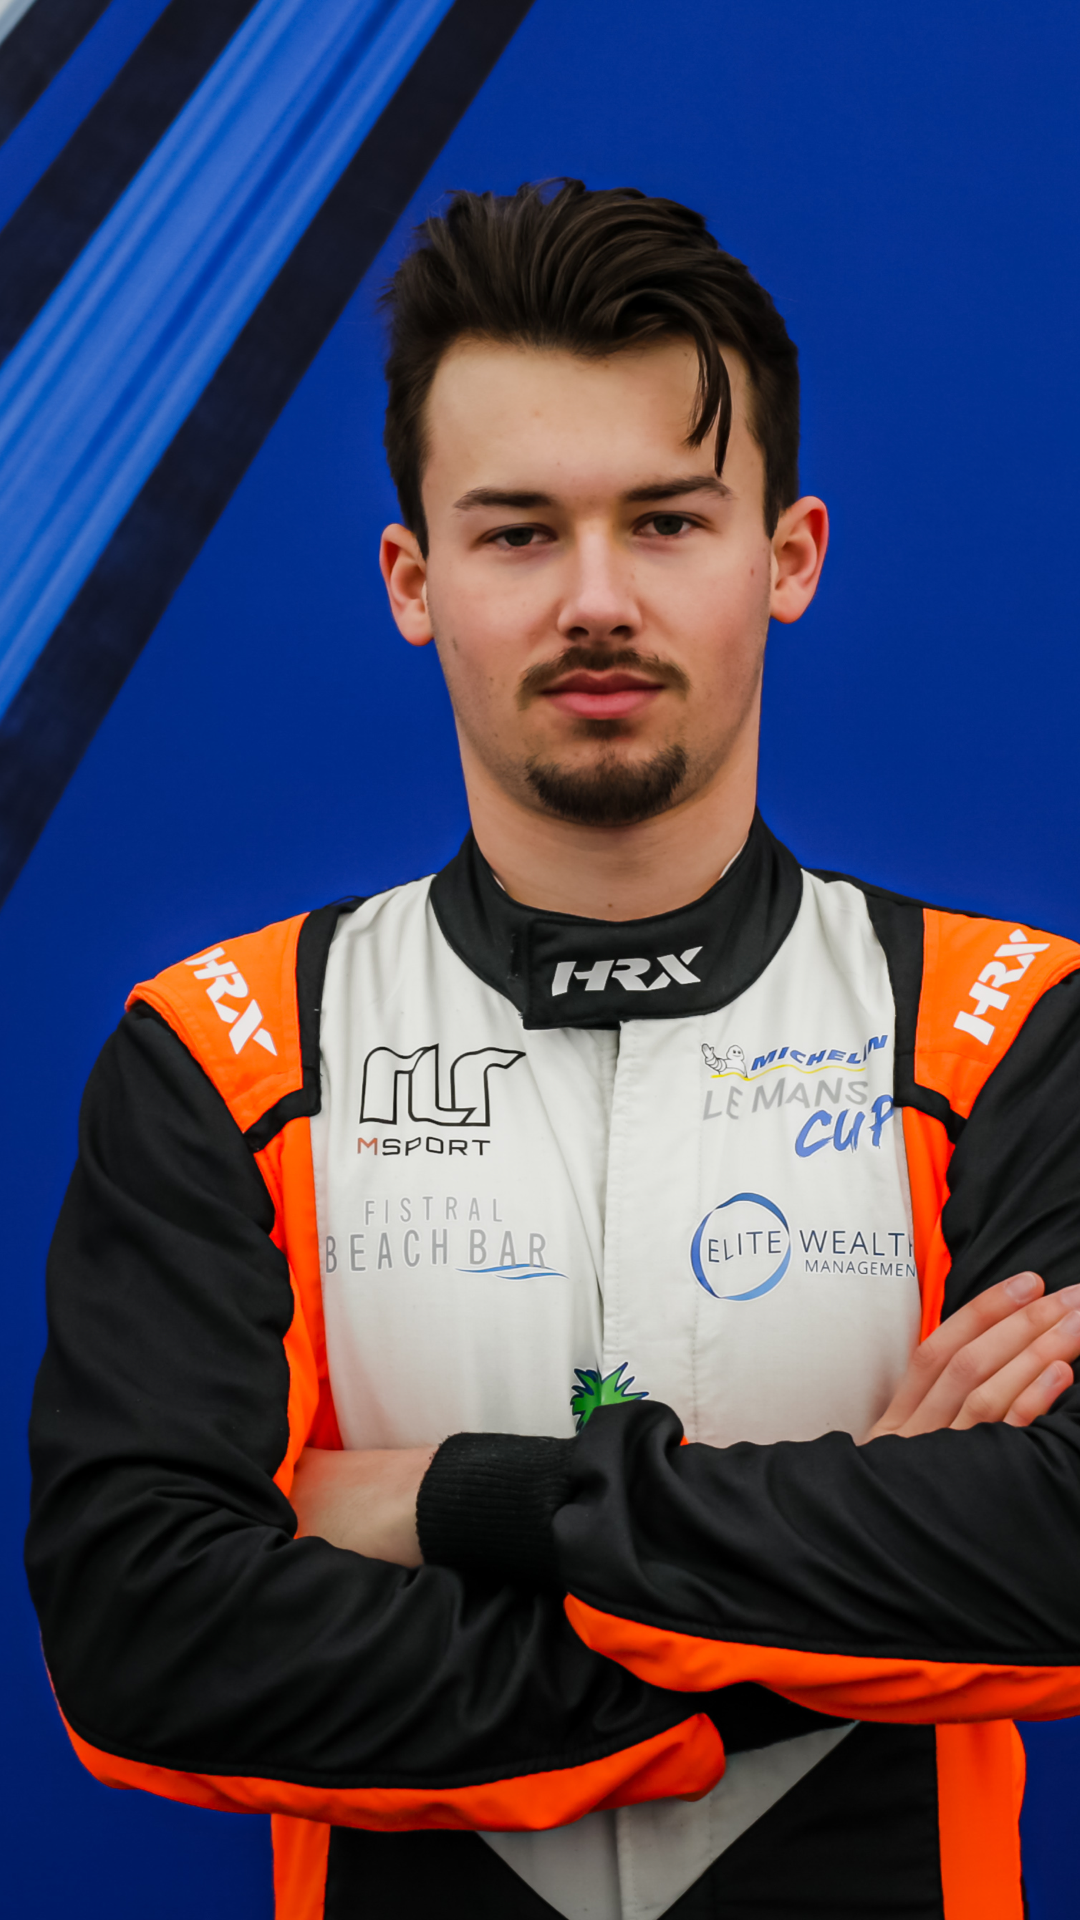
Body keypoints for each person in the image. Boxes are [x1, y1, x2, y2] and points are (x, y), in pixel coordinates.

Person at [26, 181, 1080, 1920]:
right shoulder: (220, 1053)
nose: (597, 598)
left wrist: (457, 1501)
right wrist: (827, 1592)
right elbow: (147, 1638)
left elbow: (1050, 1557)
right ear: (412, 580)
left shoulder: (1013, 1029)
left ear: (786, 557)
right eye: (519, 533)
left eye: (668, 522)